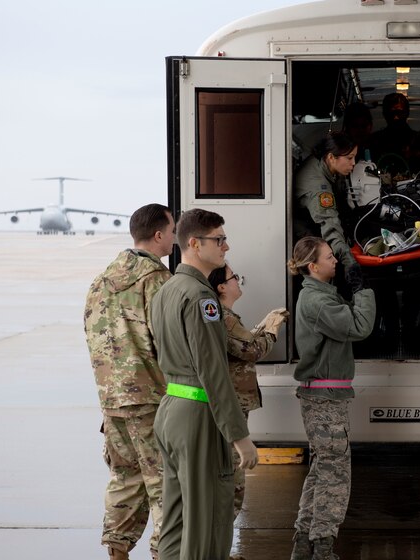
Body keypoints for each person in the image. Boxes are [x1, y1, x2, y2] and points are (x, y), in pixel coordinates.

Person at [150, 209, 259, 560]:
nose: (226, 247)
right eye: (219, 239)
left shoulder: (167, 290)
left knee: (177, 521)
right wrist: (240, 438)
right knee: (207, 523)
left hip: (171, 410)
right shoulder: (202, 298)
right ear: (195, 244)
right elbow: (212, 372)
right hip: (197, 414)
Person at [83, 203, 176, 560]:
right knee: (166, 482)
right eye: (171, 231)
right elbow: (170, 341)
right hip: (151, 398)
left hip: (111, 399)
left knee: (125, 479)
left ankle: (117, 551)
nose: (173, 237)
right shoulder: (156, 280)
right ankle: (164, 553)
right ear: (158, 235)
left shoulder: (100, 281)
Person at [288, 236, 376, 560]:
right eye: (329, 257)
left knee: (322, 468)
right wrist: (363, 290)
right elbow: (360, 325)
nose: (336, 261)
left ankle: (303, 542)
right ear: (313, 266)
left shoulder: (321, 296)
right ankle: (323, 546)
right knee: (336, 473)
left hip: (322, 397)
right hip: (325, 401)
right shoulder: (319, 302)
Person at [207, 263, 289, 521]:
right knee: (233, 478)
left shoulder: (225, 316)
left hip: (231, 403)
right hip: (233, 404)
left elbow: (241, 344)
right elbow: (252, 350)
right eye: (234, 278)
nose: (238, 281)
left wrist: (263, 325)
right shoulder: (226, 317)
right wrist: (272, 330)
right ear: (222, 287)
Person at [294, 132, 358, 275]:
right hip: (306, 232)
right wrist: (350, 263)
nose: (353, 163)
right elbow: (330, 227)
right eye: (349, 158)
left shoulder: (323, 162)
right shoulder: (319, 189)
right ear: (331, 157)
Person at [368, 92, 416, 172]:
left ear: (407, 113)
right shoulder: (374, 141)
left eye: (399, 113)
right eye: (391, 113)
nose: (396, 117)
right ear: (385, 115)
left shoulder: (418, 140)